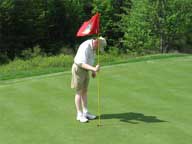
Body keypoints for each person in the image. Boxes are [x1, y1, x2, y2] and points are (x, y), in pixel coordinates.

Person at [71, 36, 107, 123]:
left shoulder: (94, 48)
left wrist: (93, 71)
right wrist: (94, 69)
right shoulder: (86, 46)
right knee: (79, 91)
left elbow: (90, 60)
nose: (98, 50)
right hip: (79, 69)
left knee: (85, 91)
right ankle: (79, 115)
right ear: (96, 43)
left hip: (86, 69)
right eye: (98, 47)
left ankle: (85, 112)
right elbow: (81, 63)